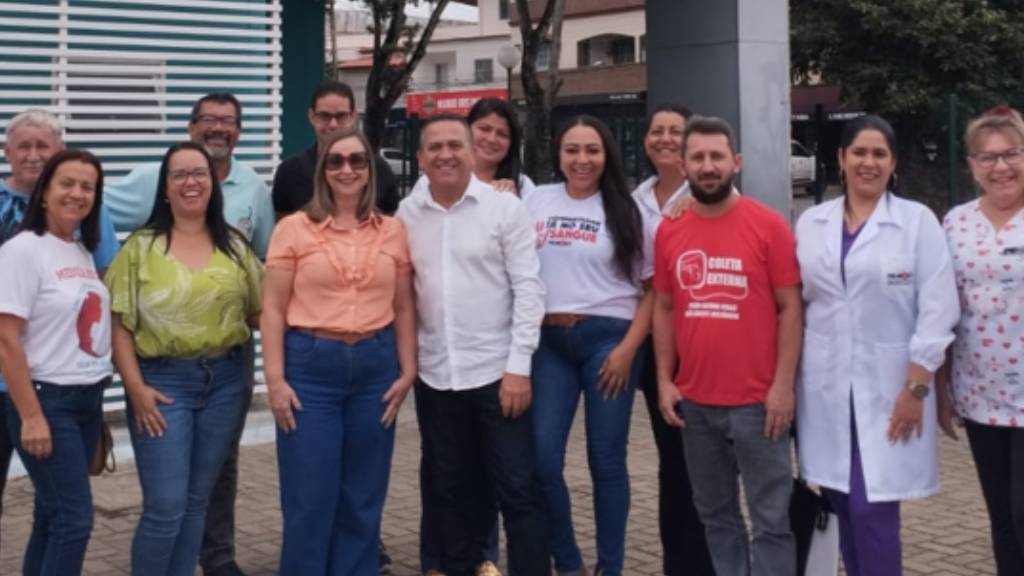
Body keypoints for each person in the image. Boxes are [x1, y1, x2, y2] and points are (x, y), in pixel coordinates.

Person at [104, 92, 273, 576]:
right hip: (163, 385)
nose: (191, 182)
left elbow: (263, 312)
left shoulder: (237, 247)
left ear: (212, 185)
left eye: (199, 173)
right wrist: (134, 389)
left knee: (198, 501)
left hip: (224, 381)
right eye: (179, 174)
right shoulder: (140, 248)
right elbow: (119, 324)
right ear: (164, 187)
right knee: (165, 506)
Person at [795, 114, 959, 576]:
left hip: (893, 391)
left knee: (874, 511)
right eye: (859, 153)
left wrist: (917, 389)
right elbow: (794, 300)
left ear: (893, 164)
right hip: (826, 391)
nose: (869, 163)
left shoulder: (916, 222)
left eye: (879, 154)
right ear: (841, 159)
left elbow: (938, 310)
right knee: (841, 504)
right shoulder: (811, 222)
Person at [396, 113, 551, 576]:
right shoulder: (407, 213)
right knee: (449, 491)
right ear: (421, 158)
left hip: (498, 375)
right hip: (437, 376)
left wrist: (519, 366)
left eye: (454, 145)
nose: (446, 154)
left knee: (518, 490)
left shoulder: (504, 209)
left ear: (470, 151)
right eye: (435, 147)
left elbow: (529, 288)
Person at [261, 127, 416, 575]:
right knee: (310, 496)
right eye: (336, 161)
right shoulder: (293, 229)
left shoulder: (393, 230)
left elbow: (404, 305)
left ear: (370, 169)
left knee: (363, 497)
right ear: (322, 171)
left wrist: (407, 371)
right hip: (311, 367)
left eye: (357, 160)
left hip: (375, 367)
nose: (347, 169)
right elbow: (272, 310)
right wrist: (274, 380)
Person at [653, 116, 802, 576]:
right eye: (698, 157)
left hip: (758, 404)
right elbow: (664, 307)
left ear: (735, 162)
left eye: (717, 156)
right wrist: (663, 379)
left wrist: (782, 387)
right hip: (695, 404)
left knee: (771, 520)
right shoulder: (670, 231)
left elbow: (790, 309)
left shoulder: (769, 225)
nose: (708, 166)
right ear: (683, 165)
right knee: (716, 518)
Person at [524, 115, 650, 576]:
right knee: (541, 458)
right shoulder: (535, 199)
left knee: (606, 459)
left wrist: (627, 349)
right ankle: (569, 562)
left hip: (608, 342)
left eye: (591, 150)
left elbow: (653, 290)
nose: (581, 159)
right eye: (572, 150)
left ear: (606, 155)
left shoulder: (626, 208)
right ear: (559, 154)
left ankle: (610, 568)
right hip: (549, 342)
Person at [0, 110, 119, 553]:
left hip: (84, 395)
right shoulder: (22, 250)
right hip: (43, 399)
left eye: (87, 187)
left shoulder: (82, 250)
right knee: (74, 521)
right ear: (46, 192)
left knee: (51, 517)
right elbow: (6, 337)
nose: (77, 194)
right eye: (66, 184)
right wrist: (32, 415)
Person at [939, 106, 1024, 576]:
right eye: (987, 157)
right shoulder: (955, 223)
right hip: (981, 393)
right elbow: (943, 309)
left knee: (1022, 510)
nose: (1000, 166)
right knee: (1001, 517)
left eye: (1010, 153)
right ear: (972, 166)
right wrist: (943, 387)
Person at [630, 103, 714, 576]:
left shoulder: (712, 191)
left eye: (675, 131)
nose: (665, 138)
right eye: (656, 131)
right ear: (646, 141)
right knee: (673, 462)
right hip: (656, 345)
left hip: (706, 342)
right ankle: (680, 564)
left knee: (709, 463)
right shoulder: (634, 198)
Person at [272, 80, 400, 218]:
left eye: (341, 116)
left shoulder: (378, 169)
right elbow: (283, 228)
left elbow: (389, 227)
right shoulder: (290, 172)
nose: (333, 124)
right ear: (311, 117)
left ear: (353, 117)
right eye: (324, 116)